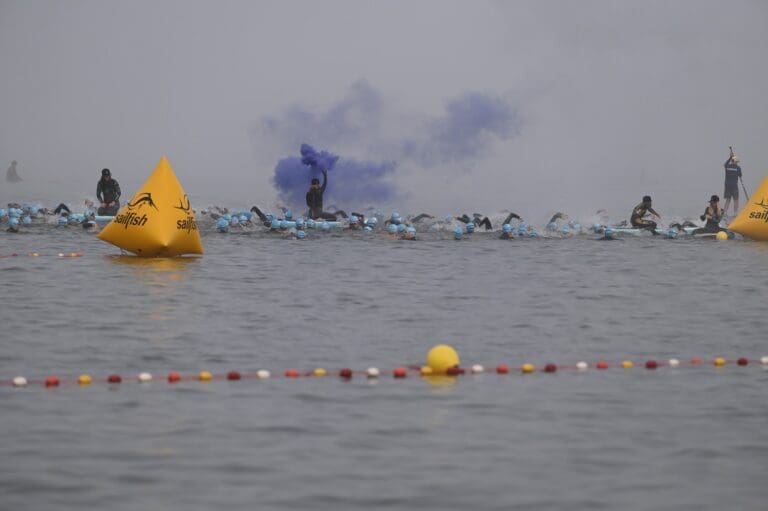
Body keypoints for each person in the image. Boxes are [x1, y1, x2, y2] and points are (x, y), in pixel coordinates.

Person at [723, 147, 742, 215]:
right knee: (730, 200)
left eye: (737, 162)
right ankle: (726, 213)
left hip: (732, 186)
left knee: (734, 200)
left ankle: (734, 213)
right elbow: (740, 175)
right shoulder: (733, 167)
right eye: (736, 161)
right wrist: (730, 157)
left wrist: (730, 158)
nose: (736, 162)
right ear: (733, 161)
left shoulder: (736, 167)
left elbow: (740, 175)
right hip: (730, 186)